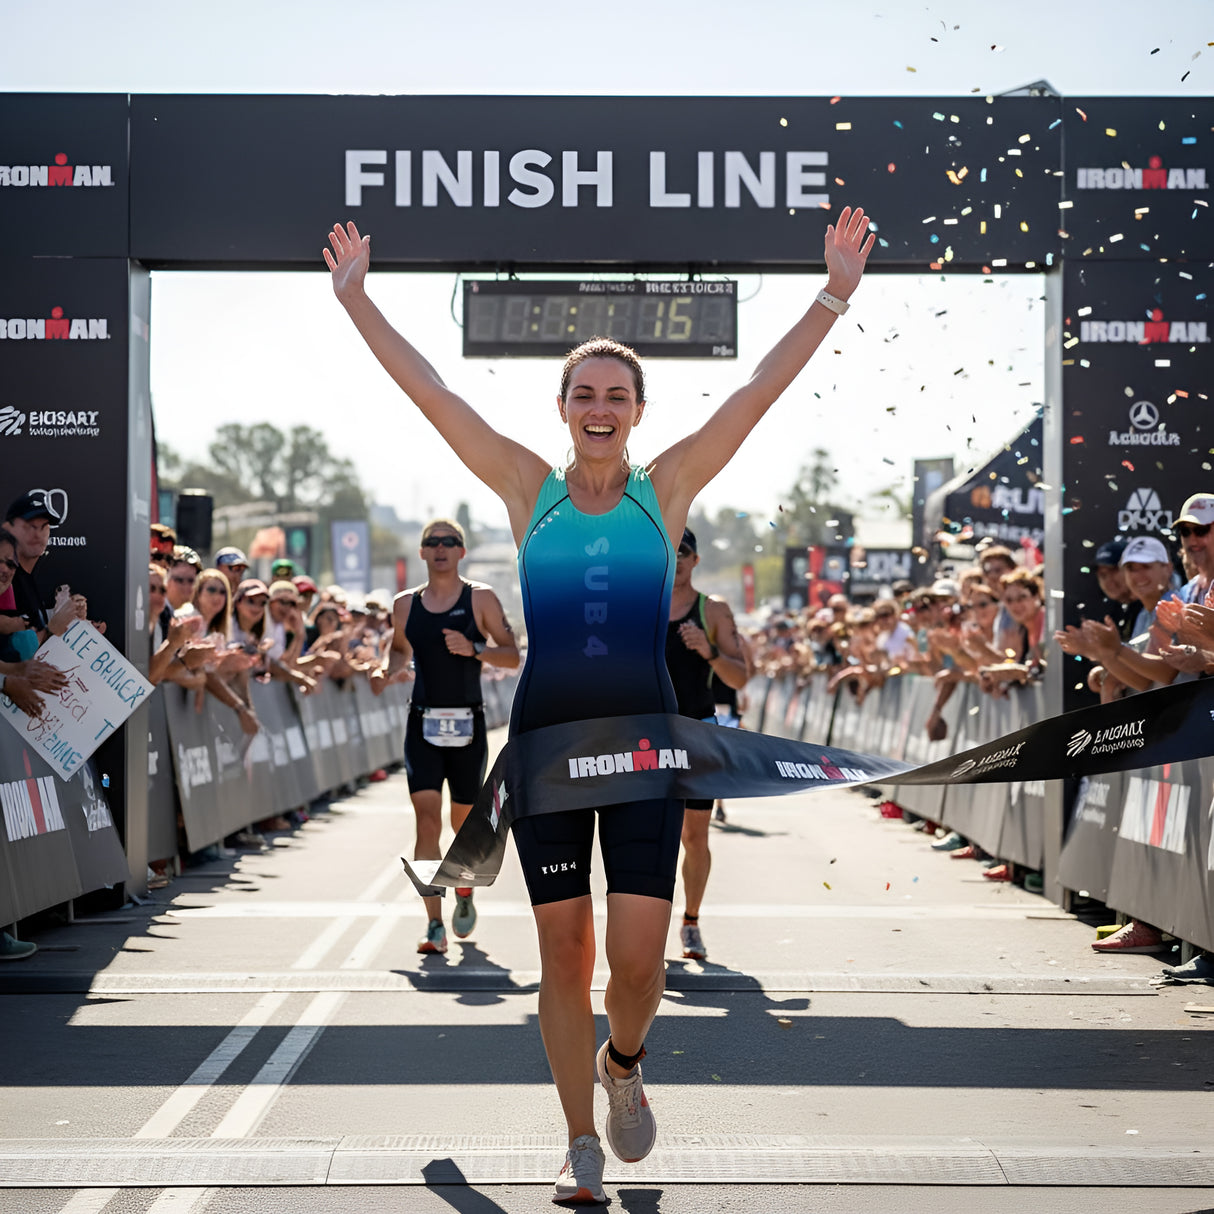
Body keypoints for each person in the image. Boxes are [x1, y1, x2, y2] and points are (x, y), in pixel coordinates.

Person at [326, 204, 873, 1203]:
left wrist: (830, 293)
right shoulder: (523, 484)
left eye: (616, 393)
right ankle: (577, 1136)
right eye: (583, 390)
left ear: (635, 410)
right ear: (562, 403)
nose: (599, 403)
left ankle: (622, 1067)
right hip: (542, 748)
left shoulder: (661, 493)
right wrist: (358, 301)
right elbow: (431, 392)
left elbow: (756, 392)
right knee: (563, 952)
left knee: (636, 962)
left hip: (642, 750)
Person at [371, 518, 519, 954]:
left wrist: (474, 648)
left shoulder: (481, 599)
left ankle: (465, 888)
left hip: (468, 725)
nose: (440, 548)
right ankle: (433, 924)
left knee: (463, 824)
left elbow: (510, 656)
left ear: (461, 551)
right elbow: (399, 648)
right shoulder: (404, 604)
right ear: (421, 552)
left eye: (449, 541)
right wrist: (387, 669)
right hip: (423, 723)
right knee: (426, 820)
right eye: (431, 542)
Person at [664, 526, 750, 961]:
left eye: (684, 552)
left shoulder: (711, 609)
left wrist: (709, 652)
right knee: (649, 835)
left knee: (694, 835)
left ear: (695, 560)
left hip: (698, 729)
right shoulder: (640, 607)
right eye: (668, 550)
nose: (676, 558)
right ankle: (648, 921)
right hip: (647, 738)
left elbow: (740, 677)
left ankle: (691, 921)